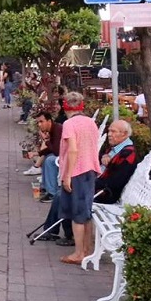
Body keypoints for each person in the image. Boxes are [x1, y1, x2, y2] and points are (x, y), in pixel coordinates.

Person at [57, 92, 101, 265]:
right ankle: (87, 249)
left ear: (65, 106)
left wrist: (67, 175)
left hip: (76, 171)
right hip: (91, 169)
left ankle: (78, 253)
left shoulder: (69, 124)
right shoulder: (91, 122)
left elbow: (73, 150)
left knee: (77, 214)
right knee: (86, 212)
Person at [95, 120, 139, 203]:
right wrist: (103, 156)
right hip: (98, 185)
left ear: (124, 134)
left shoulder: (128, 153)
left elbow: (116, 181)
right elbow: (99, 157)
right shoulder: (116, 147)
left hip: (105, 194)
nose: (109, 134)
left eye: (113, 131)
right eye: (109, 131)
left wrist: (90, 183)